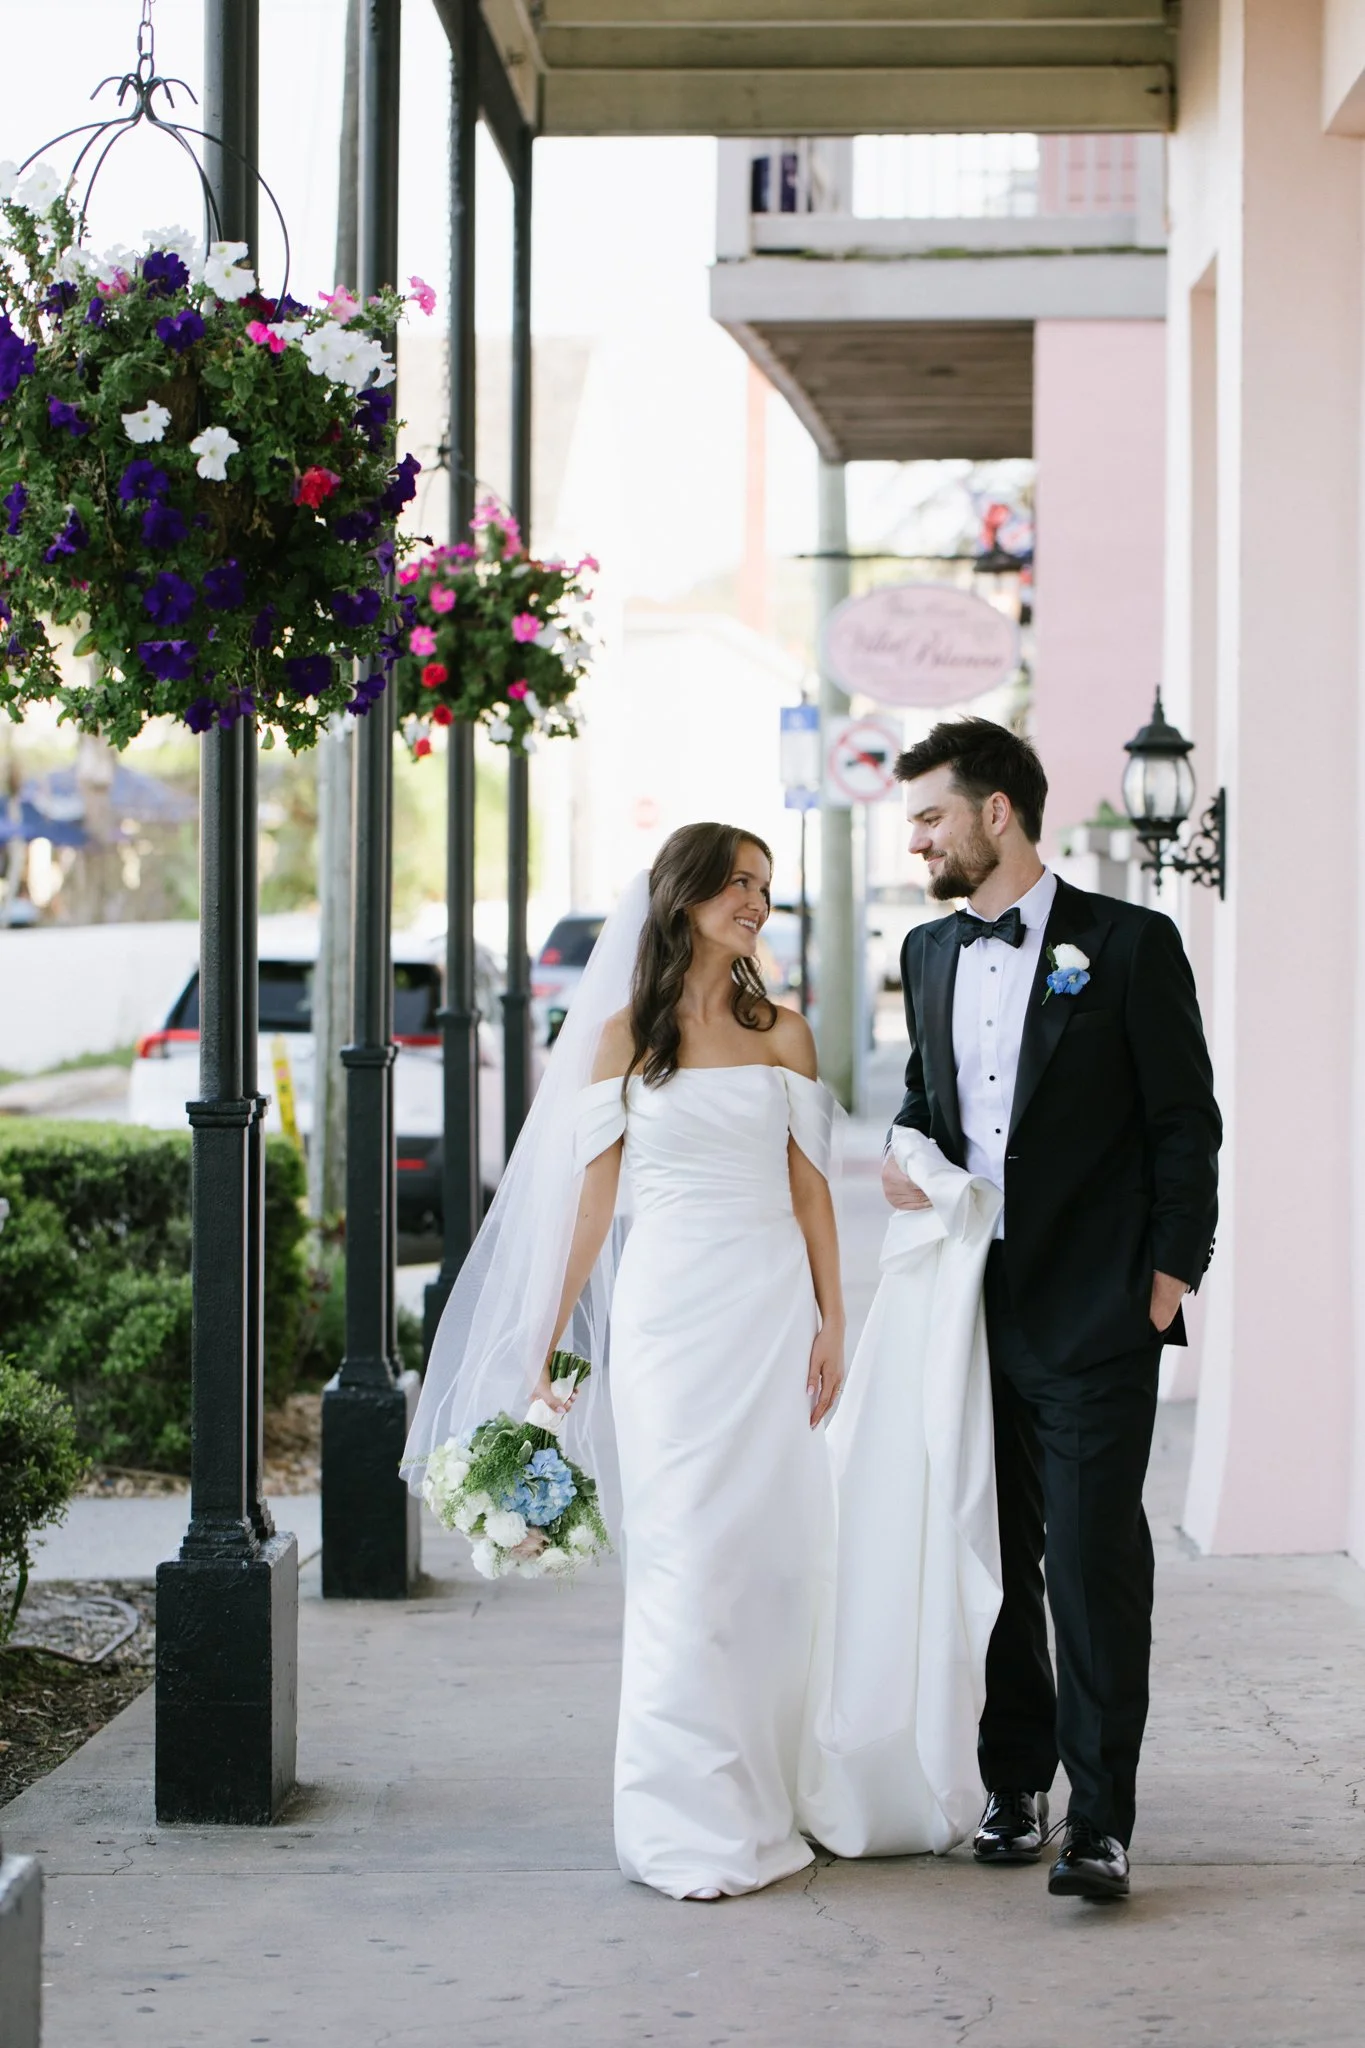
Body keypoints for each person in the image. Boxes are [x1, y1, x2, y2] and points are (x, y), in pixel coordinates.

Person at [407, 822, 845, 1902]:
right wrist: (545, 1332)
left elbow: (811, 1190)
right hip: (666, 1323)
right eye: (740, 882)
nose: (757, 901)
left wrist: (839, 1319)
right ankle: (679, 1820)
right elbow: (592, 1202)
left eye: (765, 886)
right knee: (683, 1557)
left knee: (762, 1562)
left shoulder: (783, 1031)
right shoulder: (618, 1038)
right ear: (685, 895)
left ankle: (758, 1793)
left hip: (769, 1314)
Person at [882, 717, 1220, 1901]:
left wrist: (1172, 1273)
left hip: (1097, 1306)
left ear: (996, 813)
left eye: (929, 815)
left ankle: (1101, 1820)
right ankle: (1014, 1784)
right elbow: (929, 1099)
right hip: (967, 1302)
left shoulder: (1129, 944)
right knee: (992, 1548)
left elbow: (1186, 1117)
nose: (915, 837)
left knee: (1088, 1558)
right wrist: (906, 1154)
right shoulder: (926, 951)